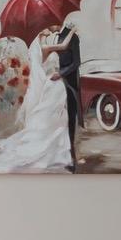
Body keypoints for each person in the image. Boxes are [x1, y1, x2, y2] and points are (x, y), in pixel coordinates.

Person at [0, 29, 74, 173]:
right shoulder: (43, 47)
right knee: (52, 116)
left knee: (57, 116)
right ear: (40, 33)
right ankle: (51, 149)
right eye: (45, 28)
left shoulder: (42, 46)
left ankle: (55, 149)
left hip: (52, 83)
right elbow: (64, 46)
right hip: (51, 83)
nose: (49, 29)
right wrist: (72, 31)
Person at [47, 19, 82, 168]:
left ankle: (71, 157)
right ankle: (58, 153)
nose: (47, 27)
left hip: (69, 83)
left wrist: (61, 74)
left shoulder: (72, 37)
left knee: (70, 119)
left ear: (57, 21)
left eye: (49, 23)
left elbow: (76, 62)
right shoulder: (55, 37)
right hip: (55, 85)